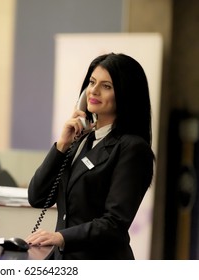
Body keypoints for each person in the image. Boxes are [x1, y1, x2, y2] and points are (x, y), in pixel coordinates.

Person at [26, 53, 155, 260]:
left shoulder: (132, 148)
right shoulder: (82, 139)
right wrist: (62, 145)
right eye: (92, 82)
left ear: (125, 94)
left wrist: (61, 237)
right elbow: (37, 196)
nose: (93, 91)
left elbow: (115, 223)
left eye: (106, 86)